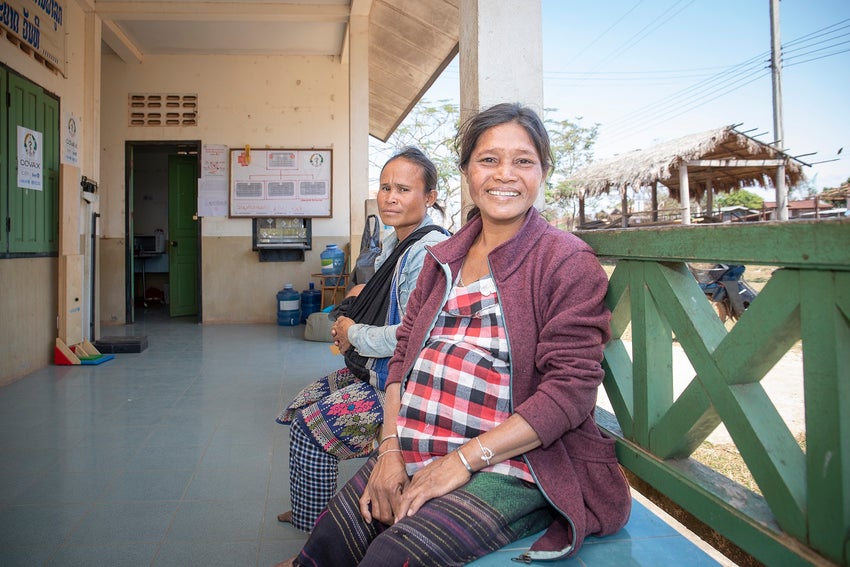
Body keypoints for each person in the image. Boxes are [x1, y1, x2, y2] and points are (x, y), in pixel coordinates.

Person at [277, 103, 631, 567]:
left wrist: (461, 462)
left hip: (513, 463)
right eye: (488, 160)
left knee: (392, 555)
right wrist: (388, 449)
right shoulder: (444, 258)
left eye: (523, 161)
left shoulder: (564, 262)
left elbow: (570, 392)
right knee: (330, 544)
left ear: (543, 170)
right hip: (416, 442)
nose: (505, 174)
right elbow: (402, 357)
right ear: (467, 171)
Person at [275, 147, 450, 532]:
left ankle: (315, 536)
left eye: (404, 189)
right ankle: (310, 506)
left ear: (430, 197)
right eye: (386, 187)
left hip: (402, 385)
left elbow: (413, 336)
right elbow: (384, 293)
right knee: (300, 406)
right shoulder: (396, 241)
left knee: (310, 429)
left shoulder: (427, 251)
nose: (390, 197)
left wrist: (352, 333)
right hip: (373, 368)